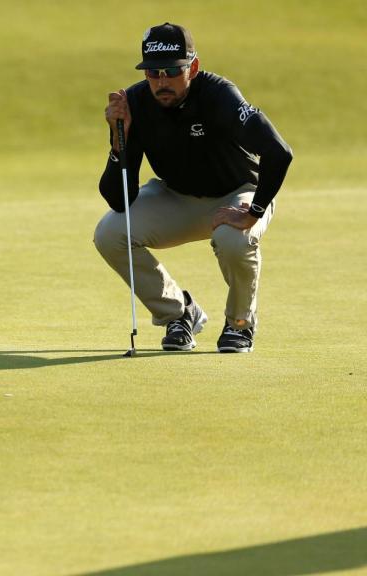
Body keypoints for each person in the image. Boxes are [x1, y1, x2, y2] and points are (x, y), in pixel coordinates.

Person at [94, 22, 293, 353]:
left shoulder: (219, 95)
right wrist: (119, 142)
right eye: (153, 72)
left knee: (233, 239)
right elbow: (119, 200)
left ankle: (240, 324)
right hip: (176, 197)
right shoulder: (135, 103)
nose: (162, 81)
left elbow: (279, 152)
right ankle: (179, 313)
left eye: (173, 71)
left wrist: (253, 212)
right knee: (110, 233)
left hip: (237, 193)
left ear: (194, 67)